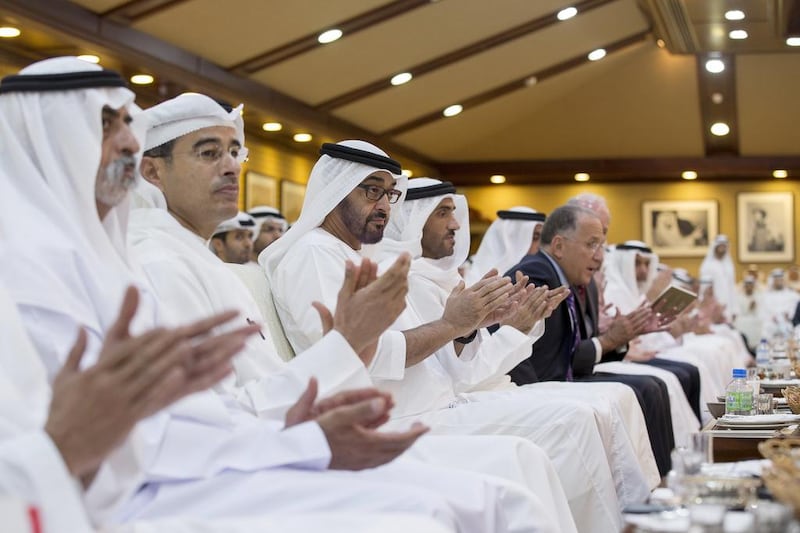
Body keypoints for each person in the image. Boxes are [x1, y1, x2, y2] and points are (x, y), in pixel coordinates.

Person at [0, 58, 519, 533]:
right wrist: (312, 424)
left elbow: (198, 418)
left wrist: (309, 428)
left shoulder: (118, 261)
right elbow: (123, 448)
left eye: (128, 127)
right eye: (105, 126)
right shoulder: (65, 268)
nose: (128, 145)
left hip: (212, 461)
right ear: (48, 141)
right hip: (141, 501)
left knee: (485, 495)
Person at [131, 95, 562, 533]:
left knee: (522, 468)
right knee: (507, 478)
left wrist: (477, 328)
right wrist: (450, 326)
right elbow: (211, 421)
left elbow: (436, 368)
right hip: (294, 448)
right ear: (152, 171)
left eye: (234, 152)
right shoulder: (293, 255)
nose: (230, 166)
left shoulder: (205, 262)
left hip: (318, 430)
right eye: (208, 153)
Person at [373, 178, 668, 531]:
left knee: (608, 401)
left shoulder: (442, 279)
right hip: (427, 411)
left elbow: (462, 369)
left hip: (465, 396)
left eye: (455, 213)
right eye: (443, 213)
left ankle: (641, 509)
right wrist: (484, 328)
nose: (455, 224)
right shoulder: (394, 277)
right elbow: (455, 376)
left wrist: (510, 327)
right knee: (573, 420)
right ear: (411, 219)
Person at [505, 204, 676, 476]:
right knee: (644, 388)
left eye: (602, 246)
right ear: (559, 246)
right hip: (538, 384)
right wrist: (609, 339)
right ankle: (653, 487)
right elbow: (551, 364)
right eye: (592, 245)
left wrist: (623, 335)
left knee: (652, 385)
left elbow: (576, 353)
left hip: (565, 374)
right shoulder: (537, 276)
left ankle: (664, 479)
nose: (599, 258)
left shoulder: (574, 279)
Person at [465, 207, 545, 285]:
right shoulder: (467, 270)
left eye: (542, 238)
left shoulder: (540, 273)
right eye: (535, 237)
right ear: (512, 238)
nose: (540, 245)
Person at [699, 235, 737, 321]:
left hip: (728, 306)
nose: (722, 249)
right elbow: (705, 289)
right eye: (720, 247)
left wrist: (734, 309)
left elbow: (732, 287)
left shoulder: (729, 265)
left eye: (724, 247)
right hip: (714, 306)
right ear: (715, 247)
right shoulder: (708, 265)